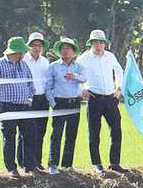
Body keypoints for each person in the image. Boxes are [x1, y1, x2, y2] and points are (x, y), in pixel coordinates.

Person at [0, 36, 39, 177]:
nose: (25, 54)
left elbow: (31, 83)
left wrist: (30, 97)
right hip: (7, 106)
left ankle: (30, 165)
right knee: (9, 137)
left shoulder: (24, 64)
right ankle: (11, 167)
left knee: (30, 134)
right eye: (23, 52)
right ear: (17, 52)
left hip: (24, 106)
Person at [77, 29, 127, 173]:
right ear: (90, 44)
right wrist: (82, 90)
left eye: (100, 43)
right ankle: (97, 163)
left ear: (105, 44)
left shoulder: (110, 56)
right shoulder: (83, 59)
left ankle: (114, 162)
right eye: (95, 43)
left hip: (110, 98)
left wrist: (118, 89)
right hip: (94, 98)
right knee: (94, 131)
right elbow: (75, 75)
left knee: (116, 130)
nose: (98, 46)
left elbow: (119, 71)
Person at [45, 37, 86, 174]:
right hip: (60, 103)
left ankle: (67, 164)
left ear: (74, 51)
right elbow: (48, 87)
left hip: (74, 102)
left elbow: (84, 78)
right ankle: (52, 164)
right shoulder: (54, 66)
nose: (65, 51)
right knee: (56, 134)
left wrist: (74, 76)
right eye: (63, 48)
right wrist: (53, 104)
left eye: (68, 48)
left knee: (71, 133)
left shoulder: (79, 67)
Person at [20, 32, 50, 171]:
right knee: (25, 133)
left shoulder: (45, 61)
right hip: (28, 101)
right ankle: (23, 163)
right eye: (33, 45)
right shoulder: (23, 59)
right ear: (29, 46)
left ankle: (37, 161)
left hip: (42, 99)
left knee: (40, 132)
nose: (36, 48)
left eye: (39, 45)